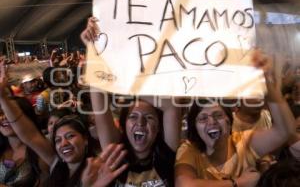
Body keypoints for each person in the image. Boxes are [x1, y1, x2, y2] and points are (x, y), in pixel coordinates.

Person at [81, 17, 182, 186]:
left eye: (149, 118)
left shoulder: (167, 152)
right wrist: (93, 47)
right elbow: (98, 99)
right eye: (133, 117)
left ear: (158, 128)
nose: (140, 122)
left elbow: (172, 107)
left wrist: (125, 83)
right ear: (122, 125)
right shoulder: (116, 154)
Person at [175, 50, 295, 187]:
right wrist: (239, 182)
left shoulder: (243, 143)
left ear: (228, 120)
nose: (211, 122)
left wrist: (266, 80)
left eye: (218, 115)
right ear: (194, 126)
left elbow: (285, 130)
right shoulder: (189, 149)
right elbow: (184, 185)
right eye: (202, 118)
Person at [0, 59, 128, 187]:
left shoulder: (102, 167)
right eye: (58, 140)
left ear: (85, 139)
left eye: (70, 136)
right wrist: (2, 97)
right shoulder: (56, 165)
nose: (64, 143)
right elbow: (29, 134)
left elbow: (102, 117)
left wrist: (97, 68)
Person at [0, 97, 48, 186]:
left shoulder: (41, 151)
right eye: (1, 113)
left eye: (11, 113)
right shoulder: (2, 148)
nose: (4, 117)